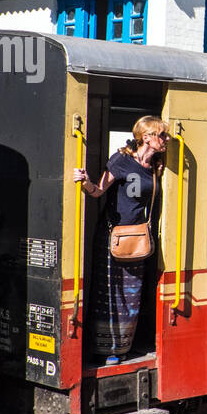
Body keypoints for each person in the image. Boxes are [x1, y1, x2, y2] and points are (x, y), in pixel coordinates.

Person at [73, 115, 168, 364]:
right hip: (112, 236)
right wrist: (85, 183)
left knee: (132, 293)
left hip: (138, 238)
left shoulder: (157, 166)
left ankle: (125, 345)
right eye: (161, 135)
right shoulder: (122, 160)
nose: (165, 140)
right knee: (110, 293)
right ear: (146, 137)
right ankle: (106, 350)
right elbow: (98, 191)